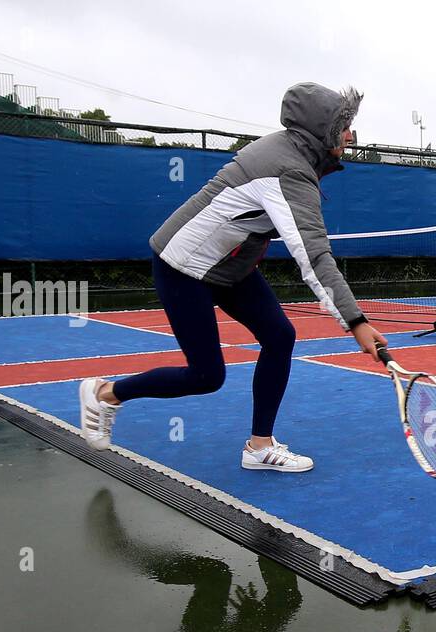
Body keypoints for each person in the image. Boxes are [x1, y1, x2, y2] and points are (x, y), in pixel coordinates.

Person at [76, 83, 387, 472]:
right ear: (321, 129)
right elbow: (313, 255)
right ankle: (105, 393)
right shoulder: (288, 169)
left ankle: (259, 447)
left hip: (229, 267)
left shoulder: (294, 155)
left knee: (280, 336)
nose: (349, 135)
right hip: (182, 265)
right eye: (344, 126)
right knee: (206, 376)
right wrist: (356, 322)